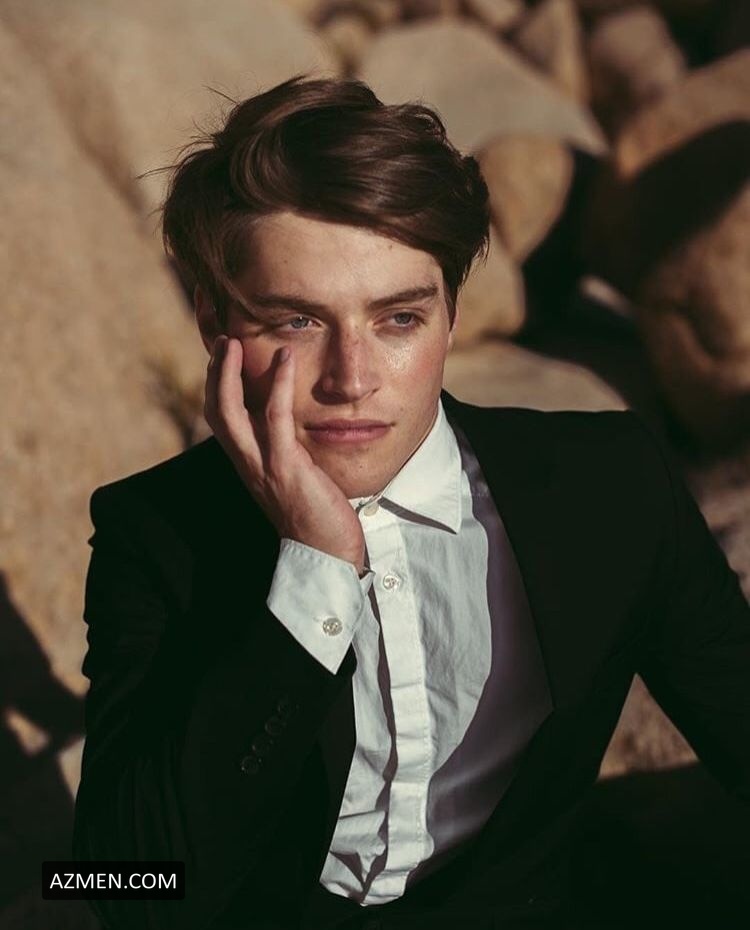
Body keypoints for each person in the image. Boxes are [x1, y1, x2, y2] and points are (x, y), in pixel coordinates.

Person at [72, 74, 750, 930]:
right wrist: (315, 572)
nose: (352, 379)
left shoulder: (609, 487)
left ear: (453, 315)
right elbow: (112, 884)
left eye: (398, 320)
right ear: (215, 323)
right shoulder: (156, 534)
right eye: (297, 322)